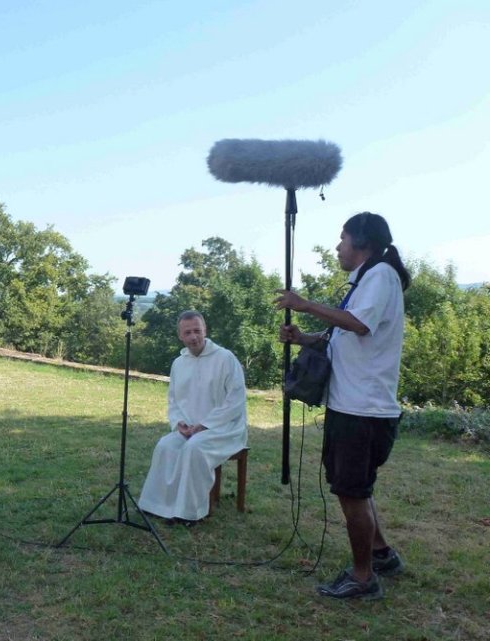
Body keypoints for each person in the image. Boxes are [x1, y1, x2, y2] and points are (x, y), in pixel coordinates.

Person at [274, 211, 410, 600]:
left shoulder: (380, 275)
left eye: (342, 239)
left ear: (361, 243)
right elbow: (345, 335)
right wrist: (304, 339)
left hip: (362, 410)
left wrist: (305, 304)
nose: (338, 247)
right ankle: (381, 554)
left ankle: (363, 578)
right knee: (357, 489)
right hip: (356, 406)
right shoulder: (369, 278)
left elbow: (359, 324)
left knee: (352, 492)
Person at [138, 311, 248, 524]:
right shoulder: (179, 363)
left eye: (197, 331)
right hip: (189, 428)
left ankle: (189, 513)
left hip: (225, 428)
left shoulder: (225, 358)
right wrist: (179, 423)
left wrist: (205, 425)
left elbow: (235, 401)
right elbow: (174, 400)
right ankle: (158, 505)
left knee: (194, 448)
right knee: (165, 446)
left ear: (205, 331)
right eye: (188, 332)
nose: (193, 337)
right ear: (180, 335)